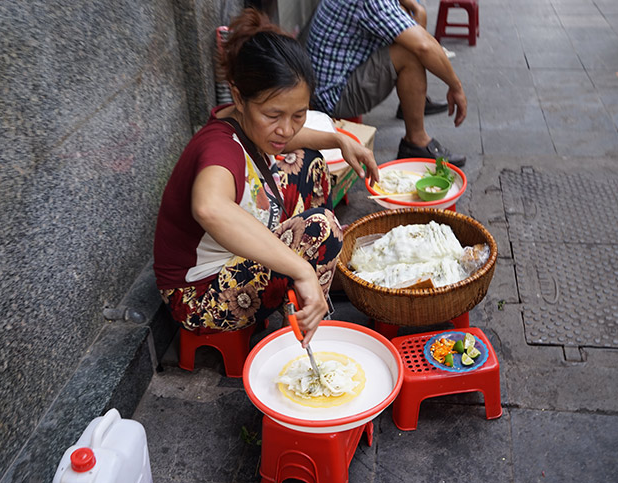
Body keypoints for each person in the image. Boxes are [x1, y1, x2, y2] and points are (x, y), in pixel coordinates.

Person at [153, 8, 378, 346]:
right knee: (322, 228)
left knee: (309, 161)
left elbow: (288, 139)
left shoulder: (246, 124)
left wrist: (339, 140)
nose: (286, 128)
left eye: (298, 115)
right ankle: (311, 311)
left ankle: (315, 284)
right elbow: (209, 208)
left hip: (233, 257)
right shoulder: (218, 149)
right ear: (239, 97)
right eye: (273, 114)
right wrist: (301, 269)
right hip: (198, 296)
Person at [306, 0, 468, 167]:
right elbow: (423, 46)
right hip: (332, 97)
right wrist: (456, 87)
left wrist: (416, 7)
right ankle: (416, 141)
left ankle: (413, 101)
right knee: (410, 53)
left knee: (406, 16)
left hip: (327, 82)